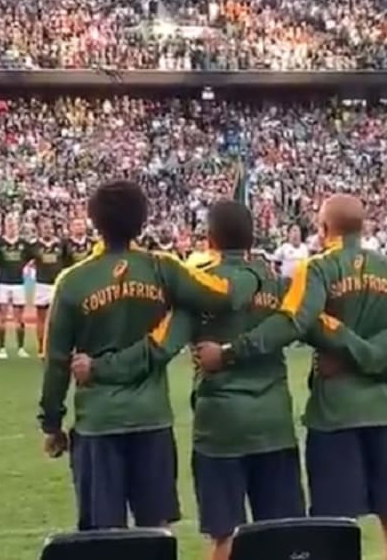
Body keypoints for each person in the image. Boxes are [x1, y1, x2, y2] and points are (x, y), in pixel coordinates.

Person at [198, 194, 387, 560]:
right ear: (364, 225)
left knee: (334, 524)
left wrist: (231, 351)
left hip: (336, 414)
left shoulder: (317, 269)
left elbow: (294, 322)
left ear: (324, 229)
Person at [72, 200, 307, 560]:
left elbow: (160, 348)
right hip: (275, 423)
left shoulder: (199, 288)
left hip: (220, 428)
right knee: (279, 539)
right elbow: (299, 326)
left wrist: (100, 368)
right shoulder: (277, 284)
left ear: (209, 238)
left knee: (225, 537)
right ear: (252, 237)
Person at [36, 180, 261, 532]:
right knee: (155, 530)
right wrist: (251, 274)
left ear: (94, 222)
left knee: (103, 533)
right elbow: (223, 296)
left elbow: (55, 359)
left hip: (98, 421)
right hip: (151, 419)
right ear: (142, 222)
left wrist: (51, 423)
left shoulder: (73, 281)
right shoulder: (163, 268)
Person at [0, 216, 31, 358]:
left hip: (19, 282)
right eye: (9, 224)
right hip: (3, 282)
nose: (11, 227)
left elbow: (28, 258)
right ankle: (2, 348)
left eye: (14, 224)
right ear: (4, 226)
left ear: (17, 226)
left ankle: (20, 347)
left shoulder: (23, 243)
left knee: (19, 318)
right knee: (2, 317)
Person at [31, 219, 65, 356]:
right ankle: (41, 348)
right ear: (40, 229)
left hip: (58, 284)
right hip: (42, 284)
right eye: (44, 228)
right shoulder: (34, 246)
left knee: (60, 318)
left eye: (50, 227)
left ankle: (58, 347)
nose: (48, 230)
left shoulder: (61, 244)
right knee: (41, 317)